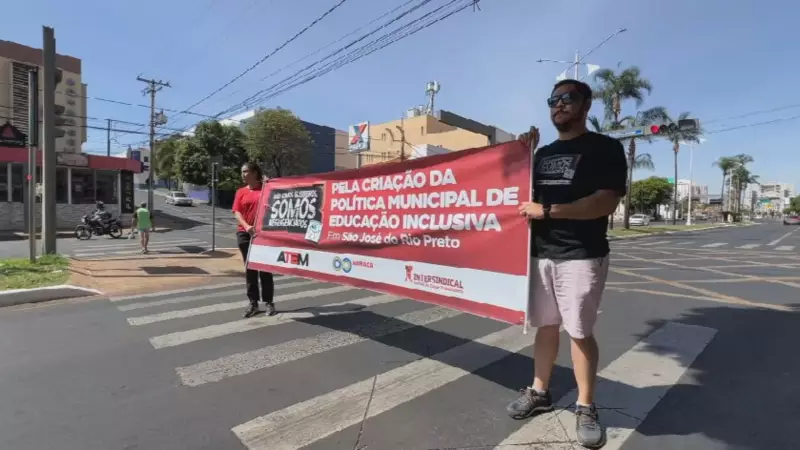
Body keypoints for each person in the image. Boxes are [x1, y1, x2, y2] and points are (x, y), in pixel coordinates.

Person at [507, 79, 627, 449]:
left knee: (578, 331)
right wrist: (520, 153)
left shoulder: (605, 148)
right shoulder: (541, 155)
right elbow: (511, 190)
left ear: (586, 104)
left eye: (567, 99)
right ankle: (539, 392)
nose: (558, 105)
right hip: (540, 254)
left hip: (582, 254)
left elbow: (605, 202)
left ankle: (586, 405)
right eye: (552, 100)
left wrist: (549, 210)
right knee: (546, 327)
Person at [233, 162, 276, 318]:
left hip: (263, 234)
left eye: (246, 171)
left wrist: (270, 183)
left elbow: (276, 201)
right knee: (250, 270)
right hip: (244, 233)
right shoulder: (241, 192)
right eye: (242, 172)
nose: (243, 175)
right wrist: (246, 226)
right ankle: (253, 303)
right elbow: (237, 212)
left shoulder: (266, 189)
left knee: (265, 269)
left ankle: (269, 302)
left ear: (255, 172)